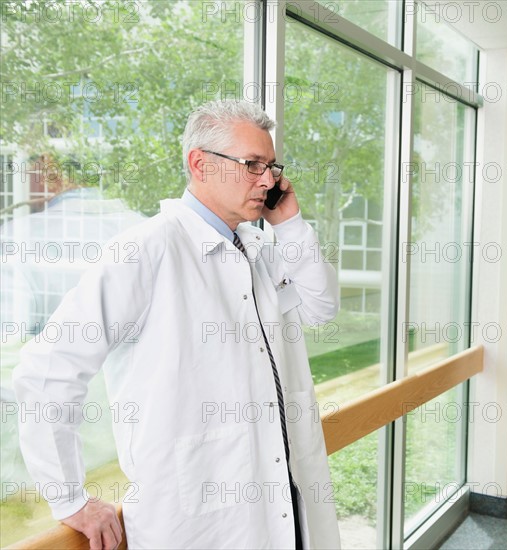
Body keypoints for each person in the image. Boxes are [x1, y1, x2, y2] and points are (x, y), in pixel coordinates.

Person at [13, 100, 341, 549]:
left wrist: (291, 223)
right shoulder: (146, 251)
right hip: (199, 524)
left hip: (283, 502)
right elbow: (47, 371)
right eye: (252, 165)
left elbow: (321, 307)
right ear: (199, 163)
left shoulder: (258, 248)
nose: (268, 181)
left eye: (271, 166)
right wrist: (69, 498)